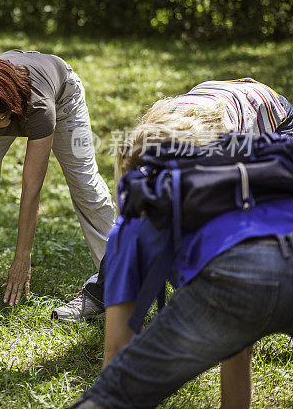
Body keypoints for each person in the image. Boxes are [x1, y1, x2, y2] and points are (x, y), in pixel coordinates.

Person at [72, 81, 293, 408]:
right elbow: (238, 345)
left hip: (234, 282)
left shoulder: (138, 211)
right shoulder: (248, 177)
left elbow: (117, 351)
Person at [0, 50, 116, 321]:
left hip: (63, 100)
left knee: (85, 185)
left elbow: (31, 191)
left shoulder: (40, 108)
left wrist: (22, 259)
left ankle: (116, 277)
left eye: (1, 113)